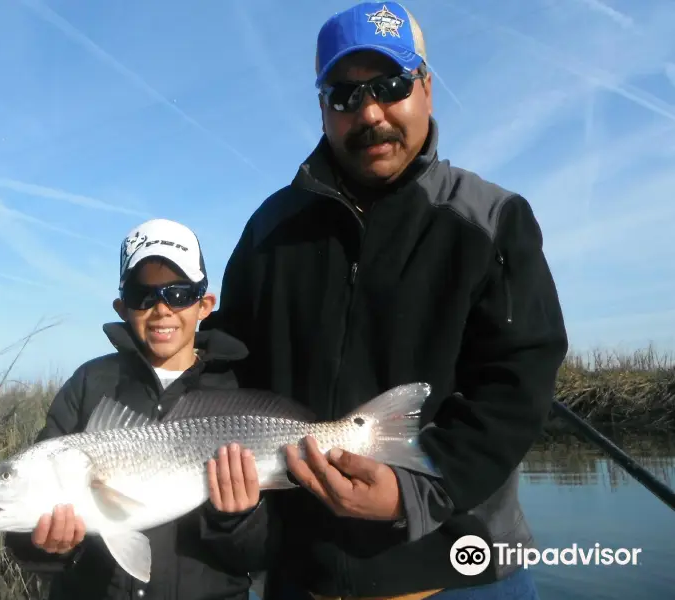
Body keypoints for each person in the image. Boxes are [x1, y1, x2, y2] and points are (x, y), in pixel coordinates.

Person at [201, 2, 569, 599]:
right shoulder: (269, 231)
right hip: (306, 578)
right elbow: (227, 366)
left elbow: (518, 383)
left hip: (464, 575)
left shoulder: (492, 219)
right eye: (344, 96)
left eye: (390, 86)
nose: (370, 112)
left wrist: (417, 490)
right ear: (323, 109)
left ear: (425, 87)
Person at [4, 218, 269, 600]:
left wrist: (238, 520)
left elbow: (267, 552)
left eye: (179, 293)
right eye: (141, 294)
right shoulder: (89, 383)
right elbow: (25, 532)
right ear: (122, 307)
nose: (161, 308)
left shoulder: (243, 390)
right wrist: (48, 545)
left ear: (205, 305)